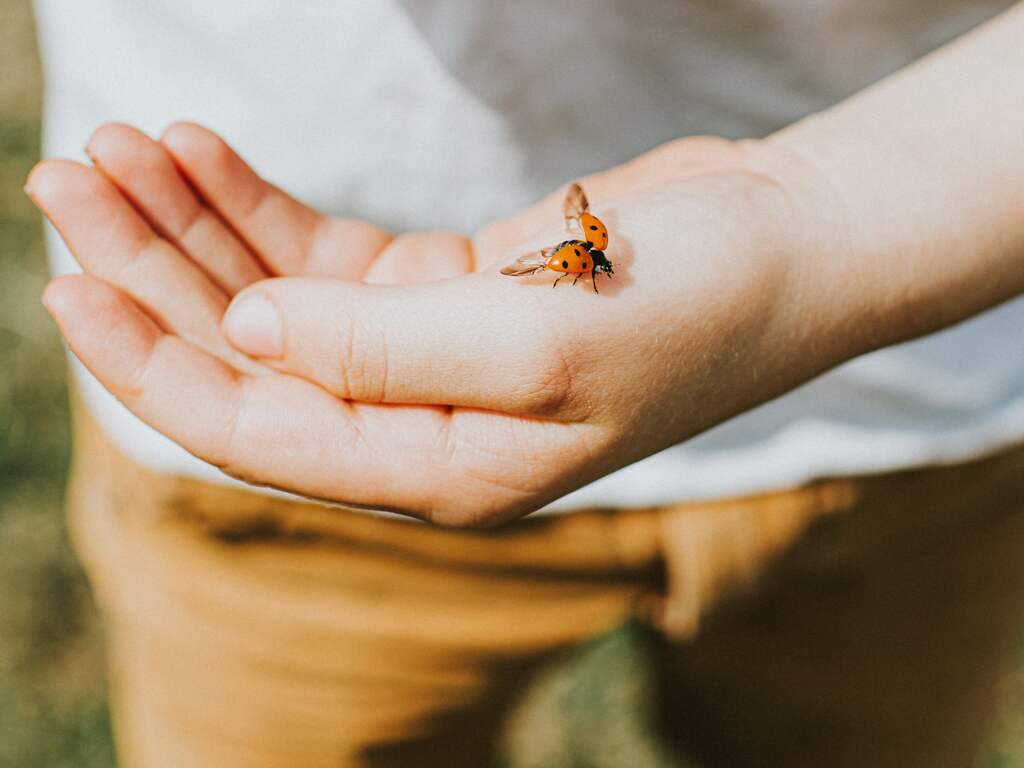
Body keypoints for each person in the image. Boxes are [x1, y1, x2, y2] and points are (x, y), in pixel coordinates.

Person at [26, 1, 1024, 765]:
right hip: (290, 434)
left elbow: (593, 255)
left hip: (918, 388)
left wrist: (811, 221)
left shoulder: (594, 251)